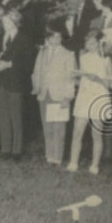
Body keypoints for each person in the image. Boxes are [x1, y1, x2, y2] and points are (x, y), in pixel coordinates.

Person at [0, 8, 36, 161]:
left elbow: (29, 64)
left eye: (7, 21)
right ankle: (5, 148)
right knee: (3, 116)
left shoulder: (25, 40)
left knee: (16, 117)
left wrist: (10, 64)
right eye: (3, 21)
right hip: (0, 82)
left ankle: (17, 150)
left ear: (16, 21)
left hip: (16, 82)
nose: (4, 24)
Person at [68, 30, 112, 174]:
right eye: (87, 42)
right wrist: (75, 77)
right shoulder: (83, 57)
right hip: (84, 96)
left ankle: (95, 165)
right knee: (77, 131)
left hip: (99, 96)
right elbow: (81, 79)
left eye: (93, 42)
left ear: (99, 43)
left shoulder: (106, 59)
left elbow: (111, 84)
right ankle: (73, 162)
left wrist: (97, 79)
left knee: (96, 133)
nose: (89, 45)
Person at [32, 22, 77, 166]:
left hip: (59, 95)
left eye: (58, 36)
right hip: (44, 94)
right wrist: (36, 86)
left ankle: (57, 157)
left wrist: (67, 97)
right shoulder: (43, 52)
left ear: (62, 37)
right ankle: (49, 155)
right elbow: (36, 71)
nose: (56, 39)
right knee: (47, 127)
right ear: (48, 37)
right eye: (52, 36)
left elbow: (72, 77)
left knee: (59, 128)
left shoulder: (68, 54)